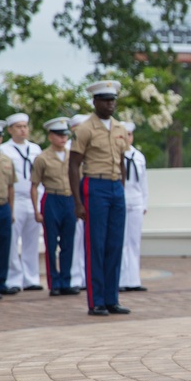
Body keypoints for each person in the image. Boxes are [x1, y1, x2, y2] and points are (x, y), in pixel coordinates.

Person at [70, 80, 130, 317]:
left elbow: (123, 160)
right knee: (96, 244)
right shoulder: (85, 129)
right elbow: (73, 165)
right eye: (105, 100)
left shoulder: (119, 128)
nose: (110, 104)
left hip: (115, 187)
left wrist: (121, 188)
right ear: (95, 101)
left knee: (115, 245)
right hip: (94, 185)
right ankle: (96, 302)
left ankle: (112, 299)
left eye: (113, 100)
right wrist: (77, 201)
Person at [30, 117, 78, 296]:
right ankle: (54, 283)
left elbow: (77, 180)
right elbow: (34, 185)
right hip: (52, 199)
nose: (62, 138)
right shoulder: (42, 158)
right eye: (58, 135)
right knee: (51, 244)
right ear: (50, 136)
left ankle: (66, 281)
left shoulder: (72, 155)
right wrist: (36, 210)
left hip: (69, 200)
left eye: (64, 134)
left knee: (68, 243)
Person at [0, 112, 43, 294]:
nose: (23, 130)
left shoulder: (35, 149)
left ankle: (31, 278)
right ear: (10, 130)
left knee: (31, 240)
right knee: (11, 240)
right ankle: (14, 278)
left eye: (25, 126)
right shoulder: (5, 150)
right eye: (18, 126)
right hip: (15, 197)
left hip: (33, 197)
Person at [118, 121, 148, 293]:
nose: (127, 138)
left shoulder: (138, 156)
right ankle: (121, 280)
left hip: (135, 200)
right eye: (124, 135)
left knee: (134, 241)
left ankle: (134, 280)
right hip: (121, 200)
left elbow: (144, 183)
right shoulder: (115, 154)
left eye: (129, 135)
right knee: (120, 241)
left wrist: (145, 203)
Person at [67, 113, 89, 291]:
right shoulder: (68, 148)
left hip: (88, 197)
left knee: (87, 240)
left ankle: (85, 277)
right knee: (74, 240)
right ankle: (75, 277)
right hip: (72, 198)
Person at [0, 120, 15, 300]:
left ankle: (1, 282)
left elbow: (11, 187)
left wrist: (11, 210)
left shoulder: (6, 160)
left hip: (3, 205)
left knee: (4, 246)